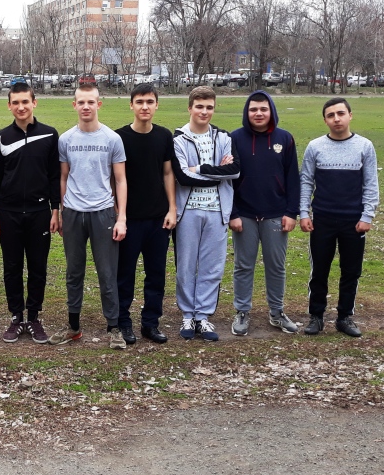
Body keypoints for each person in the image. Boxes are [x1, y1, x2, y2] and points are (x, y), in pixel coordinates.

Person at [49, 84, 128, 349]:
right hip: (73, 213)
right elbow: (63, 177)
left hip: (103, 213)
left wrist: (121, 217)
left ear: (98, 104)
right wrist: (61, 211)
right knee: (74, 271)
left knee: (107, 273)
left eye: (90, 102)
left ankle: (114, 327)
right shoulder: (66, 139)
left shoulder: (112, 139)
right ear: (74, 105)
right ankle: (73, 326)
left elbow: (120, 180)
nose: (86, 107)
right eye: (81, 102)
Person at [299, 97, 379, 338]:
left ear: (350, 115)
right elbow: (306, 181)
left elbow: (370, 183)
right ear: (325, 120)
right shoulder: (315, 147)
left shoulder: (364, 146)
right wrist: (304, 213)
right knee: (319, 270)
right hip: (322, 220)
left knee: (351, 271)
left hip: (353, 222)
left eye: (340, 113)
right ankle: (316, 316)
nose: (336, 119)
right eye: (331, 115)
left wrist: (367, 216)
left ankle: (345, 317)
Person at [0, 81, 60, 344]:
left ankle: (33, 317)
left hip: (40, 212)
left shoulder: (50, 135)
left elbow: (54, 176)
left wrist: (56, 210)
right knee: (12, 267)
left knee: (38, 267)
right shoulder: (1, 137)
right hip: (8, 213)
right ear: (9, 106)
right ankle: (16, 316)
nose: (21, 107)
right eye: (16, 103)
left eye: (25, 102)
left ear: (34, 103)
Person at [170, 85, 240, 342]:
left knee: (212, 267)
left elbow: (234, 171)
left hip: (217, 211)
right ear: (190, 108)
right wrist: (216, 173)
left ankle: (203, 316)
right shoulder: (178, 139)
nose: (204, 111)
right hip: (188, 211)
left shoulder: (224, 138)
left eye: (209, 107)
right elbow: (182, 176)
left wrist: (198, 168)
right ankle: (187, 314)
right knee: (186, 266)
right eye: (199, 106)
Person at [228, 91, 300, 336]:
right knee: (243, 265)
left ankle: (276, 312)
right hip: (244, 216)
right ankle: (242, 311)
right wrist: (233, 213)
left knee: (276, 266)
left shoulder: (285, 139)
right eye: (253, 109)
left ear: (271, 111)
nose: (258, 113)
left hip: (276, 215)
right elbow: (229, 181)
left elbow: (292, 178)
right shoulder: (234, 138)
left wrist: (291, 212)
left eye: (263, 109)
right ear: (246, 112)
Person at [115, 82, 176, 345]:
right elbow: (115, 179)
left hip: (157, 219)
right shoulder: (119, 137)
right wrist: (119, 214)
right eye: (139, 102)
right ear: (131, 105)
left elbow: (168, 173)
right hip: (129, 220)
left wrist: (172, 208)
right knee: (124, 275)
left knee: (156, 275)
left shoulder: (164, 136)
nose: (144, 107)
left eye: (149, 102)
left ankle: (150, 323)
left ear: (156, 105)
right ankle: (123, 322)